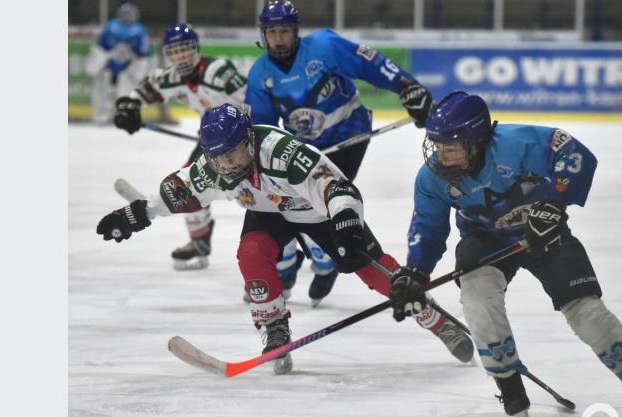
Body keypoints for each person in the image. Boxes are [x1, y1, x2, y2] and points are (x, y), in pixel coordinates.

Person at [96, 103, 473, 375]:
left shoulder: (280, 153)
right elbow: (178, 190)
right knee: (252, 252)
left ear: (248, 140)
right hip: (270, 212)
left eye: (232, 153)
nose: (227, 164)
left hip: (320, 211)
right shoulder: (214, 169)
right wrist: (135, 215)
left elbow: (336, 186)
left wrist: (344, 220)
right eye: (218, 158)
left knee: (371, 271)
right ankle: (274, 326)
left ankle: (435, 318)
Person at [388, 91, 622, 417]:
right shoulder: (431, 178)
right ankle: (508, 382)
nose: (441, 154)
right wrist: (415, 273)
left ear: (477, 140)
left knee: (587, 311)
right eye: (437, 145)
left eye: (450, 146)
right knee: (477, 297)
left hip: (545, 235)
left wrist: (555, 205)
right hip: (485, 241)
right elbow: (427, 225)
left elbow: (574, 154)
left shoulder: (518, 143)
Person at [244, 0, 433, 306]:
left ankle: (326, 260)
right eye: (272, 32)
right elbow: (263, 129)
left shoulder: (324, 46)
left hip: (349, 135)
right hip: (303, 148)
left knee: (323, 202)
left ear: (296, 32)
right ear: (263, 35)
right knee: (290, 203)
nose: (278, 38)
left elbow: (371, 64)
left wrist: (407, 87)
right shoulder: (259, 74)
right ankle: (297, 261)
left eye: (284, 31)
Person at [113, 23, 248, 271]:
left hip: (244, 139)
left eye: (185, 49)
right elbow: (146, 89)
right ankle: (199, 242)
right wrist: (129, 106)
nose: (180, 56)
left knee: (260, 192)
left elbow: (254, 101)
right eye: (174, 52)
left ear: (196, 49)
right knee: (187, 183)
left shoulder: (219, 73)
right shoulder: (173, 76)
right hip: (213, 141)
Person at [86, 3, 150, 125]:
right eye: (125, 14)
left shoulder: (139, 30)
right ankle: (103, 116)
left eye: (129, 14)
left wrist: (134, 63)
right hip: (109, 67)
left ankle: (125, 116)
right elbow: (100, 47)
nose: (127, 16)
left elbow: (143, 55)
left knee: (126, 93)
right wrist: (105, 58)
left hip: (128, 68)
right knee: (104, 91)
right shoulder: (112, 26)